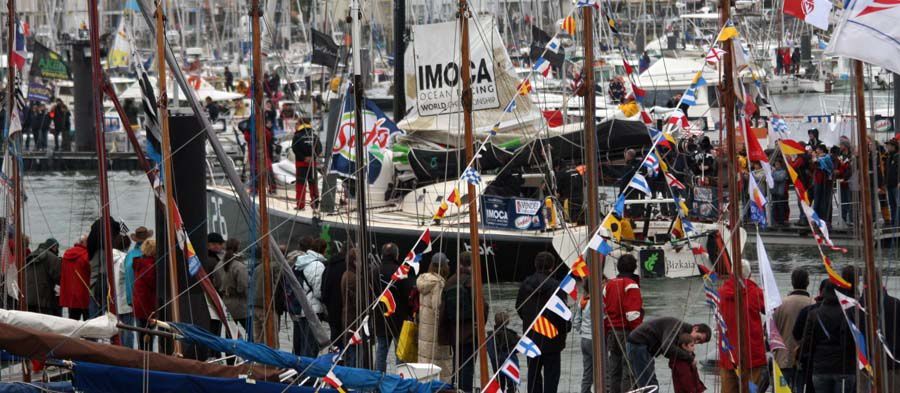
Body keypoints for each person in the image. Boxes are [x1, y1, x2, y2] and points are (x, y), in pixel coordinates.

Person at [515, 252, 569, 393]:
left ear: (535, 265)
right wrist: (564, 330)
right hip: (553, 339)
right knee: (551, 378)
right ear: (552, 267)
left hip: (532, 336)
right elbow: (562, 314)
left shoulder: (525, 285)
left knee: (533, 377)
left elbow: (519, 307)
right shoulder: (557, 287)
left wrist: (530, 321)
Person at [441, 251, 488, 392]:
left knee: (456, 364)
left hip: (454, 332)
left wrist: (445, 331)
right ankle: (465, 390)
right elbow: (482, 307)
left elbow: (443, 310)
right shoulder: (472, 281)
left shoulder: (449, 281)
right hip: (470, 333)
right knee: (467, 367)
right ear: (471, 264)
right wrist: (480, 325)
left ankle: (455, 389)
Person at [799, 281, 858, 392]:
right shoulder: (850, 313)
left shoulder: (814, 314)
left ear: (824, 293)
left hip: (821, 368)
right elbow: (854, 341)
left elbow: (807, 344)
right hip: (844, 368)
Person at [718, 260, 766, 392]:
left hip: (728, 354)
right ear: (749, 274)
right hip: (751, 353)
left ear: (731, 273)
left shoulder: (721, 293)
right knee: (751, 390)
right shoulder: (755, 292)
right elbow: (770, 309)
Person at [626, 317, 711, 388]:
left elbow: (668, 352)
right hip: (638, 345)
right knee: (650, 386)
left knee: (641, 384)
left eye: (699, 342)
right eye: (698, 338)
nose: (696, 342)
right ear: (695, 328)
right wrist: (689, 358)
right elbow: (667, 347)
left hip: (643, 348)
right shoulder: (677, 327)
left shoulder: (684, 337)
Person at [602, 254, 643, 393]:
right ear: (634, 268)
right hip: (627, 331)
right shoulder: (631, 285)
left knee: (615, 369)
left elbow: (604, 311)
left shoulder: (609, 284)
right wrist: (640, 334)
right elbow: (632, 314)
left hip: (612, 331)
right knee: (629, 369)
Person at [373, 243, 413, 373]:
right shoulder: (401, 272)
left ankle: (378, 379)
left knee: (381, 350)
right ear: (396, 255)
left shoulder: (374, 272)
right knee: (399, 352)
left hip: (380, 317)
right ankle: (399, 380)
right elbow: (408, 295)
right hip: (398, 318)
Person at [773, 267, 815, 390]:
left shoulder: (780, 304)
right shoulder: (813, 304)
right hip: (804, 360)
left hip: (783, 358)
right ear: (808, 283)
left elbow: (772, 332)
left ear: (792, 282)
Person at [416, 253, 452, 380]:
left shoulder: (424, 280)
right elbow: (438, 308)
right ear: (443, 266)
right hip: (435, 333)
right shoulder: (438, 283)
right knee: (439, 368)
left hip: (424, 332)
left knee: (425, 365)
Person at [290, 238, 327, 357]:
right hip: (313, 310)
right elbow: (318, 291)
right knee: (311, 346)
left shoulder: (299, 263)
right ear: (323, 250)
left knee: (300, 344)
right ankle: (308, 374)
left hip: (300, 307)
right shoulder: (317, 265)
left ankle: (298, 372)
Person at [218, 238, 249, 333]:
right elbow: (243, 286)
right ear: (238, 248)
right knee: (251, 334)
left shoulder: (219, 265)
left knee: (231, 334)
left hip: (226, 305)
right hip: (241, 306)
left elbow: (216, 282)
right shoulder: (239, 266)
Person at [132, 239, 157, 350]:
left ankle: (142, 355)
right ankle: (148, 357)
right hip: (148, 305)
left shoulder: (139, 263)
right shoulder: (151, 266)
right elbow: (154, 284)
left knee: (141, 332)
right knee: (148, 334)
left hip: (138, 303)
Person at [25, 238, 61, 316]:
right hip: (44, 300)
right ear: (54, 247)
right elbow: (59, 279)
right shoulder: (53, 258)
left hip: (28, 298)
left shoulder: (31, 255)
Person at [486, 312, 520, 392]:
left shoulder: (490, 336)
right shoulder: (512, 335)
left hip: (496, 363)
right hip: (510, 363)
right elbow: (517, 349)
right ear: (507, 322)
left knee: (499, 384)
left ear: (495, 321)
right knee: (512, 385)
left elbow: (489, 349)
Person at [291, 121, 321, 210]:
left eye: (296, 124)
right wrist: (313, 157)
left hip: (301, 163)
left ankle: (300, 205)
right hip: (312, 164)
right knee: (313, 184)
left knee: (301, 185)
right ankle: (315, 205)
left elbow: (295, 149)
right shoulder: (314, 135)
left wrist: (304, 158)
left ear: (300, 124)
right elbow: (319, 148)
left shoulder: (297, 136)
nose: (295, 126)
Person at [59, 235, 90, 320]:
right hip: (84, 295)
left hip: (70, 295)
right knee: (88, 324)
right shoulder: (86, 255)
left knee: (72, 323)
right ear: (84, 243)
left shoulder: (66, 254)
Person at [321, 241, 347, 342]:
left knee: (335, 338)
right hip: (348, 311)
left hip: (333, 309)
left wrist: (327, 305)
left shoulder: (330, 266)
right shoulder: (350, 267)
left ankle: (334, 356)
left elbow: (324, 288)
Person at [340, 247, 361, 366]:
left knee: (350, 350)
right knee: (353, 351)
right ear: (354, 261)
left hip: (348, 317)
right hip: (353, 318)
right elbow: (358, 301)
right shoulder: (353, 278)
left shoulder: (346, 274)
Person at [112, 236, 134, 348]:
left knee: (118, 329)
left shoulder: (110, 257)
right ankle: (129, 352)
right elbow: (129, 276)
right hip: (125, 300)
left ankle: (119, 350)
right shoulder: (124, 259)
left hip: (114, 300)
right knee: (128, 330)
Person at [812, 144, 834, 223]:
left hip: (825, 181)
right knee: (817, 200)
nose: (816, 151)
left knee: (824, 200)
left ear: (821, 150)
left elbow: (829, 168)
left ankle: (826, 219)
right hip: (818, 181)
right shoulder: (817, 158)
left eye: (817, 149)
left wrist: (818, 161)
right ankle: (817, 218)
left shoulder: (826, 157)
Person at [771, 159, 790, 226]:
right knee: (774, 207)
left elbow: (779, 178)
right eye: (775, 164)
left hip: (780, 192)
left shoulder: (783, 172)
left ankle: (781, 220)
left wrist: (773, 173)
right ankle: (775, 220)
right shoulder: (773, 171)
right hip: (774, 191)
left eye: (778, 164)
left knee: (780, 206)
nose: (776, 166)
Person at [886, 139, 899, 225]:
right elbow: (888, 171)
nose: (887, 147)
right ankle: (893, 223)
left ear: (894, 147)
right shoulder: (889, 157)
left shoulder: (898, 157)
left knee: (897, 205)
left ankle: (897, 224)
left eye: (889, 145)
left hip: (896, 185)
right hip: (890, 185)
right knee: (892, 206)